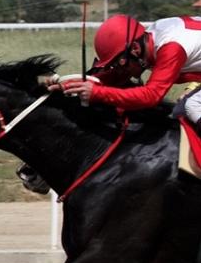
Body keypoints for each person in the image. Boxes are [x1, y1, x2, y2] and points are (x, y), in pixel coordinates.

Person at [17, 14, 201, 193]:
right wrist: (66, 84)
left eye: (119, 63)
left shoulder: (170, 47)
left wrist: (96, 92)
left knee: (191, 105)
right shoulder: (145, 41)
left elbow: (151, 96)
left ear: (135, 49)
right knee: (181, 111)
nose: (118, 69)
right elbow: (111, 77)